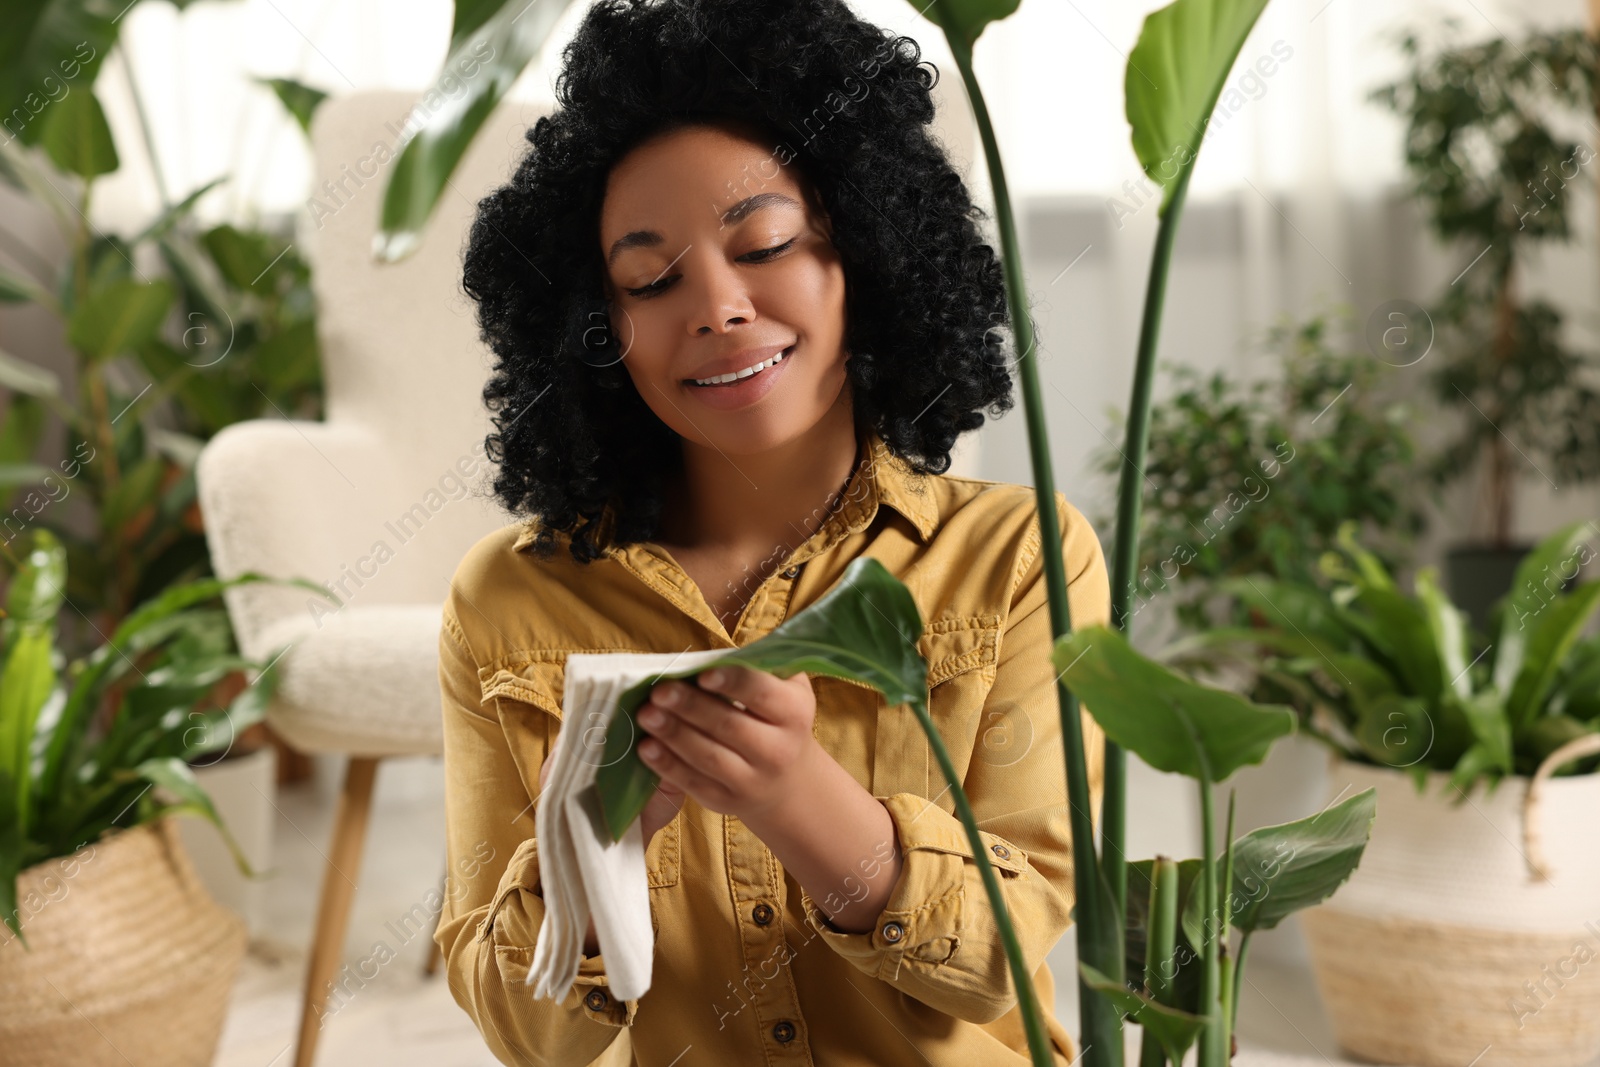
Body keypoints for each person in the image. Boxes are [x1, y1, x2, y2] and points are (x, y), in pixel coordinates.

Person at [434, 1, 1110, 1064]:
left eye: (764, 243)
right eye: (650, 279)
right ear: (595, 329)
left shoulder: (1023, 557)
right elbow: (527, 1035)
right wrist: (596, 846)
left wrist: (797, 797)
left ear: (869, 253)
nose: (716, 305)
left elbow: (998, 960)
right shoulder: (508, 601)